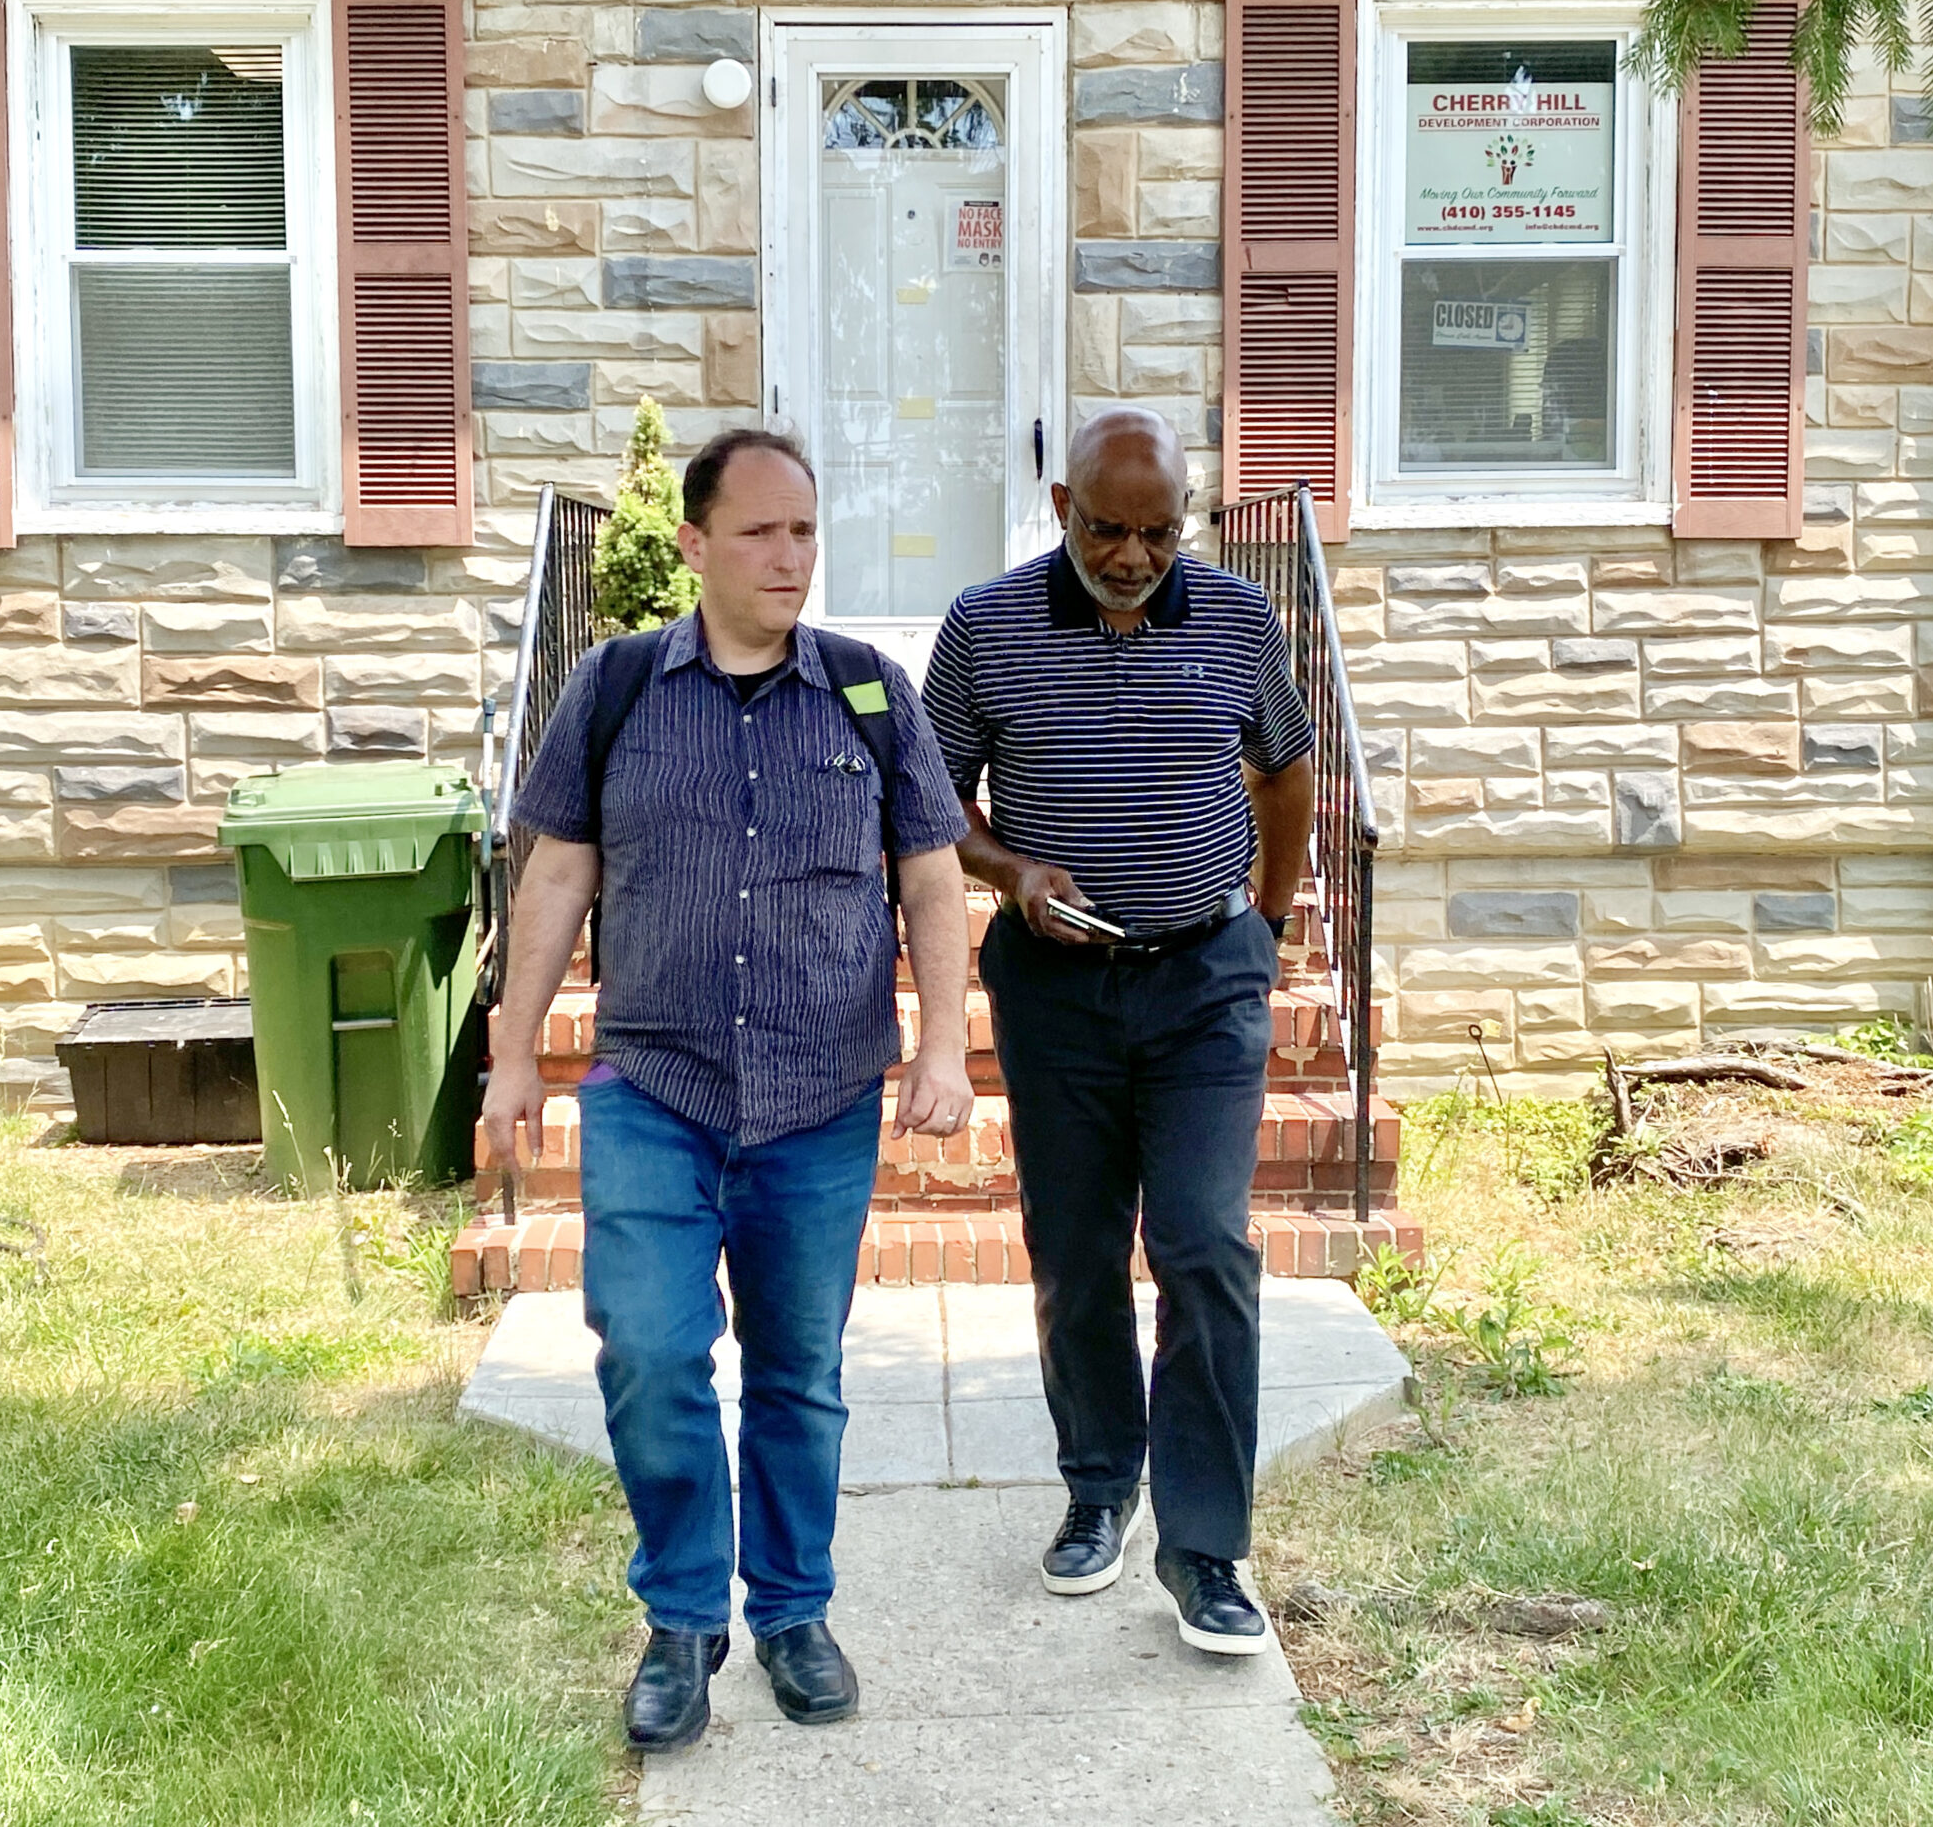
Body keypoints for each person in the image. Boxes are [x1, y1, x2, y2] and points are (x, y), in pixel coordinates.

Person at [485, 428, 975, 1752]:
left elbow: (931, 874)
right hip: (655, 1085)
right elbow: (554, 875)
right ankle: (683, 1615)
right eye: (759, 533)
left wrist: (942, 1046)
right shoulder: (619, 686)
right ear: (694, 543)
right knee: (649, 1353)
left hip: (817, 1099)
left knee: (800, 1372)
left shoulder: (872, 693)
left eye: (805, 532)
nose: (788, 558)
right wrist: (516, 1049)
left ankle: (794, 1613)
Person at [920, 408, 1317, 1656]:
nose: (1136, 556)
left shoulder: (1239, 620)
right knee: (1077, 1247)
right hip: (1057, 990)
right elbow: (932, 803)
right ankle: (1099, 1486)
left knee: (1202, 1246)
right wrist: (1011, 870)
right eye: (1109, 530)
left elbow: (1286, 768)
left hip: (1203, 980)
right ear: (1059, 509)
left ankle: (1205, 1549)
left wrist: (1265, 915)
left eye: (1159, 532)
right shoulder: (984, 628)